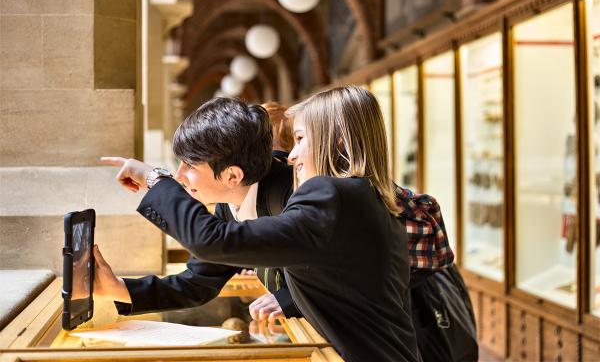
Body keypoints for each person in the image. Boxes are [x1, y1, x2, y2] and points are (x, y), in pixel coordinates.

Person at [103, 86, 421, 362]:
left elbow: (213, 241)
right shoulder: (348, 193)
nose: (290, 155)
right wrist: (116, 289)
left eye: (299, 139)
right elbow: (199, 280)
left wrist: (154, 178)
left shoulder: (328, 193)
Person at [96, 97, 300, 321]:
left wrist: (292, 300)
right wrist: (115, 288)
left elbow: (334, 268)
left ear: (232, 175)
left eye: (190, 165)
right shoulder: (230, 201)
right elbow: (198, 282)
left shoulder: (294, 193)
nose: (179, 176)